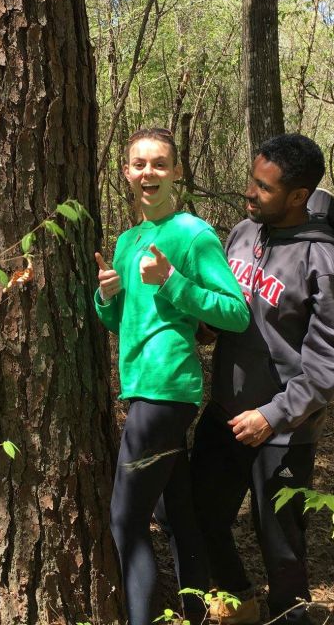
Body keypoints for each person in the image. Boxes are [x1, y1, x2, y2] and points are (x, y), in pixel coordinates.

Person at [190, 134, 334, 625]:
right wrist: (202, 323)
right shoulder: (243, 233)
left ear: (298, 196)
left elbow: (329, 365)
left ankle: (291, 615)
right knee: (201, 514)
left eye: (263, 188)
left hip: (284, 431)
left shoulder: (326, 264)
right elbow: (225, 309)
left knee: (280, 541)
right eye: (251, 180)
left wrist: (272, 416)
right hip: (225, 410)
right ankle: (240, 601)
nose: (250, 193)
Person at [94, 127, 250, 625]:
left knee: (125, 521)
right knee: (180, 514)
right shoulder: (128, 240)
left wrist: (174, 281)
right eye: (139, 164)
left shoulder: (193, 234)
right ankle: (196, 614)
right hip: (140, 388)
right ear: (126, 171)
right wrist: (107, 296)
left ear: (177, 171)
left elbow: (235, 312)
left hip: (167, 391)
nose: (148, 174)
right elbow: (121, 322)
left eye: (159, 164)